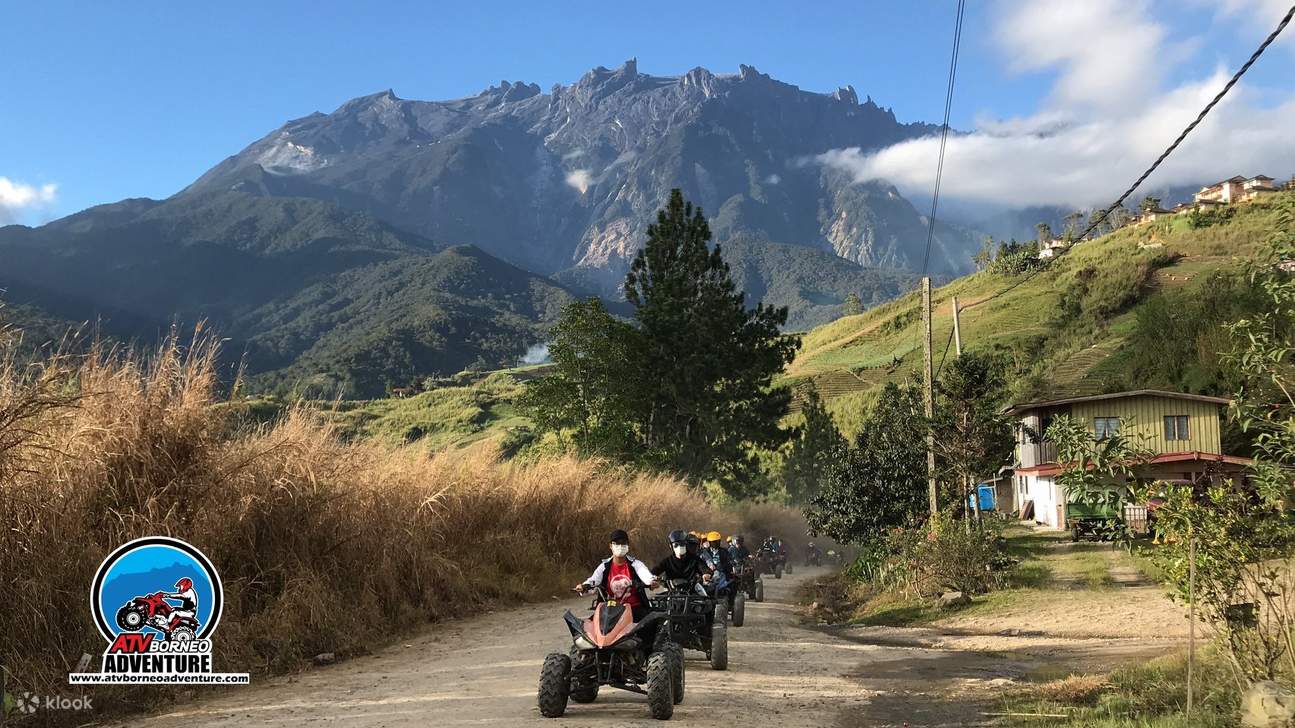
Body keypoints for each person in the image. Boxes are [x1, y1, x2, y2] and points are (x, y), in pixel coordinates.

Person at [575, 529, 658, 619]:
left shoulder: (636, 564)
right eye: (617, 543)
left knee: (649, 626)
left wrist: (652, 581)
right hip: (610, 611)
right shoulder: (604, 567)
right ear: (610, 546)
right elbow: (593, 581)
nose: (620, 546)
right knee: (587, 627)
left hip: (634, 609)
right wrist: (583, 586)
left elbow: (646, 575)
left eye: (623, 543)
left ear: (628, 546)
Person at [700, 530, 736, 610]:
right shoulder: (705, 552)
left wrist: (731, 566)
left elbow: (729, 561)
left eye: (717, 541)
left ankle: (731, 604)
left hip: (722, 573)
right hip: (708, 574)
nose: (716, 543)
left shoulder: (724, 551)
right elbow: (702, 562)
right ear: (709, 542)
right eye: (714, 542)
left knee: (732, 584)